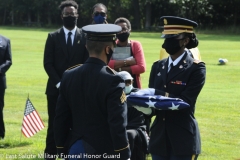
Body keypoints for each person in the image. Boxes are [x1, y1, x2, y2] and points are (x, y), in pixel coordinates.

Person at [132, 16, 206, 160]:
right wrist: (143, 107)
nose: (168, 41)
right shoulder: (158, 66)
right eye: (166, 36)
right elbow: (152, 104)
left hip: (183, 139)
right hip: (159, 139)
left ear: (186, 40)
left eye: (173, 37)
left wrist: (155, 93)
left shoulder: (196, 68)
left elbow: (185, 102)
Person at [54, 24, 130, 160]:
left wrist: (60, 147)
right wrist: (123, 153)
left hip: (75, 147)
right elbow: (117, 123)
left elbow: (60, 117)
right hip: (102, 149)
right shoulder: (113, 80)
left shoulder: (69, 75)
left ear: (86, 47)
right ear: (108, 49)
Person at [43, 0, 88, 158]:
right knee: (55, 125)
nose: (70, 16)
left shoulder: (85, 36)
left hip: (77, 90)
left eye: (72, 13)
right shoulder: (53, 37)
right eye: (67, 14)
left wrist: (74, 84)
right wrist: (59, 83)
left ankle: (69, 154)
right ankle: (50, 154)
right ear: (62, 16)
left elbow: (86, 62)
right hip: (55, 90)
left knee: (75, 124)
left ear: (77, 15)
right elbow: (48, 63)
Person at [118, 71, 149, 160]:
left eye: (129, 82)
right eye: (124, 82)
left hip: (136, 127)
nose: (127, 85)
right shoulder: (114, 96)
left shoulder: (139, 95)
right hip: (119, 127)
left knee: (129, 134)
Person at [108, 17, 146, 89]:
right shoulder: (111, 46)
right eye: (119, 30)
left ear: (129, 30)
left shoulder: (135, 45)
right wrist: (128, 62)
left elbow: (141, 68)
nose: (122, 32)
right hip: (114, 86)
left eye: (124, 29)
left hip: (133, 86)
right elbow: (107, 65)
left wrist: (118, 69)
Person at [0, 35, 12, 140]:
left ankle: (0, 133)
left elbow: (9, 60)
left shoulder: (5, 40)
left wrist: (0, 69)